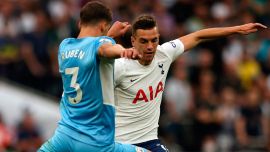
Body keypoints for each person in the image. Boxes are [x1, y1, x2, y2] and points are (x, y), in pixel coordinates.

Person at [114, 14, 267, 151]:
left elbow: (198, 36)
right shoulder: (120, 66)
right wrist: (108, 36)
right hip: (122, 143)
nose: (150, 47)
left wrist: (237, 29)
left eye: (154, 40)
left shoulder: (164, 54)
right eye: (144, 41)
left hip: (150, 140)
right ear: (133, 41)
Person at [39, 2, 148, 152]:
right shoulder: (103, 43)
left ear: (79, 23)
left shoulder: (64, 46)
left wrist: (108, 34)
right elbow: (105, 49)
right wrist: (123, 51)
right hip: (96, 142)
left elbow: (89, 48)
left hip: (64, 137)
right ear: (103, 26)